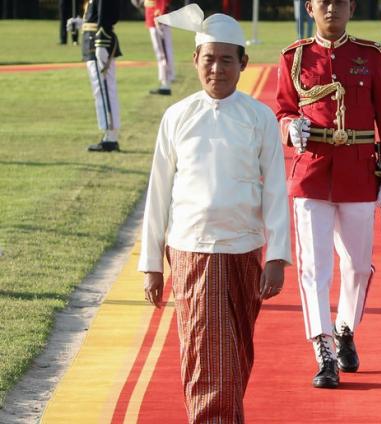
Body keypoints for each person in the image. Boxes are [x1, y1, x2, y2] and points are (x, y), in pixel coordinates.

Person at [137, 4, 291, 421]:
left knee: (237, 353)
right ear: (195, 61)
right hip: (191, 251)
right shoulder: (177, 117)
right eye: (209, 59)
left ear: (243, 62)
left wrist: (277, 258)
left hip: (244, 252)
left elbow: (277, 190)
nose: (217, 69)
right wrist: (151, 264)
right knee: (205, 352)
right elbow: (158, 193)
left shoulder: (259, 118)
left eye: (227, 60)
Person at [275, 0, 381, 389]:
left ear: (351, 8)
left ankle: (345, 325)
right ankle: (324, 349)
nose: (332, 9)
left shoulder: (369, 55)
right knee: (314, 268)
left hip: (359, 172)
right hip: (312, 171)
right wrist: (290, 128)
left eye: (340, 2)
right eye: (324, 2)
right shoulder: (294, 57)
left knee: (358, 266)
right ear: (310, 8)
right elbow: (282, 108)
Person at [81, 0, 121, 152]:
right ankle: (109, 134)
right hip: (94, 38)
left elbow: (106, 13)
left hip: (98, 39)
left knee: (103, 89)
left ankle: (110, 136)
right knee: (103, 89)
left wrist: (101, 41)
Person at [146, 0, 176, 95]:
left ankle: (166, 82)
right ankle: (164, 80)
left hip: (157, 17)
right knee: (161, 52)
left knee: (163, 53)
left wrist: (160, 13)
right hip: (153, 16)